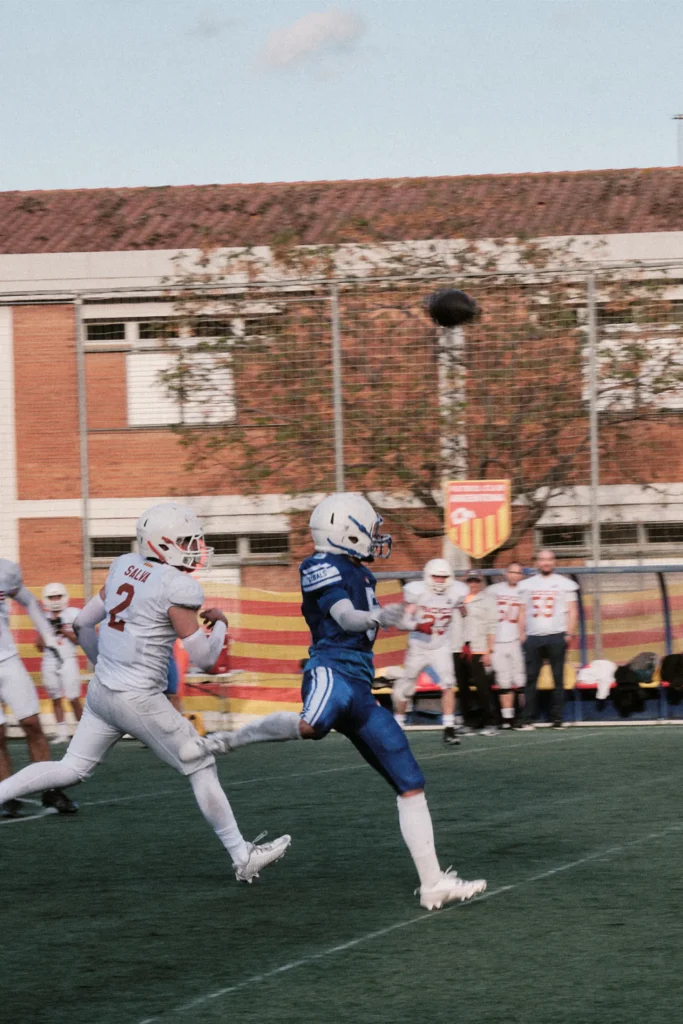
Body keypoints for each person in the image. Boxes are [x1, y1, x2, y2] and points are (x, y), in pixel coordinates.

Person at [181, 493, 486, 910]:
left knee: (410, 781)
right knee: (312, 725)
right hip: (331, 668)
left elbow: (368, 621)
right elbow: (344, 618)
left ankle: (432, 881)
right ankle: (229, 740)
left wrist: (397, 617)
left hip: (359, 683)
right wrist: (383, 616)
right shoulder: (320, 565)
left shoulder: (361, 573)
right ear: (347, 532)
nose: (376, 537)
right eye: (369, 529)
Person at [0, 504, 290, 883]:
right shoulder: (176, 585)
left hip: (103, 690)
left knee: (70, 769)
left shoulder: (124, 565)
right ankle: (242, 855)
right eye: (187, 540)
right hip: (139, 698)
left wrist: (101, 662)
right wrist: (220, 626)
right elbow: (203, 658)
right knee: (200, 764)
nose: (194, 546)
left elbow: (84, 623)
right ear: (164, 543)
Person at [0, 560, 78, 817]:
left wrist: (47, 637)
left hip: (7, 659)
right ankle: (7, 793)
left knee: (32, 723)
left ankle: (50, 789)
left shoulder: (4, 570)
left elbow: (30, 601)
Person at [392, 558, 468, 746]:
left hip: (441, 645)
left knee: (448, 684)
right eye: (436, 577)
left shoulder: (456, 593)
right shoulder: (417, 593)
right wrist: (418, 625)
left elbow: (465, 614)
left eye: (443, 577)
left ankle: (449, 728)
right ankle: (397, 725)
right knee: (406, 687)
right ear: (428, 576)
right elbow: (400, 621)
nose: (440, 581)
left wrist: (466, 640)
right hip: (418, 646)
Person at [517, 549, 579, 729]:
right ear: (536, 562)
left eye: (549, 559)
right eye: (542, 560)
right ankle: (528, 717)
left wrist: (569, 633)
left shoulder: (564, 584)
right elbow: (521, 611)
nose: (546, 563)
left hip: (556, 635)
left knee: (558, 677)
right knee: (530, 678)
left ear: (554, 562)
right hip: (533, 636)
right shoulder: (526, 585)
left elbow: (572, 610)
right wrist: (521, 634)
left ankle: (557, 717)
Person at [38, 583, 84, 744]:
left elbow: (80, 640)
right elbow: (38, 647)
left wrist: (63, 630)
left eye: (58, 596)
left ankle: (83, 734)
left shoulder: (73, 614)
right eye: (52, 597)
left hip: (68, 658)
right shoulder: (43, 617)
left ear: (63, 596)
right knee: (55, 697)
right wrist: (46, 632)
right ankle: (62, 733)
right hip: (49, 659)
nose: (55, 600)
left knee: (73, 698)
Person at [456, 572, 498, 736]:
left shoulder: (487, 600)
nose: (472, 584)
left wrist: (489, 651)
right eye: (469, 581)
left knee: (482, 688)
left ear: (480, 582)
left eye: (475, 581)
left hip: (478, 648)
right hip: (460, 648)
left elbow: (492, 627)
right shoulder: (457, 599)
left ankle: (490, 721)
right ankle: (468, 722)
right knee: (463, 687)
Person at [488, 564, 526, 729]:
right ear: (505, 573)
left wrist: (523, 633)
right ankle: (507, 718)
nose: (514, 575)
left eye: (518, 572)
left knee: (520, 681)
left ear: (522, 575)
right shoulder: (492, 590)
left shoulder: (525, 590)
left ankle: (522, 717)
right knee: (503, 682)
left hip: (515, 640)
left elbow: (525, 614)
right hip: (497, 641)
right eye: (511, 571)